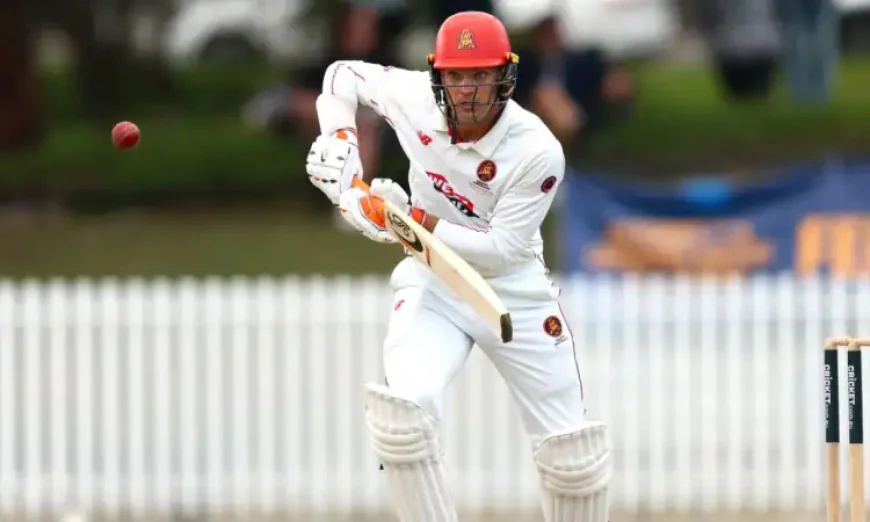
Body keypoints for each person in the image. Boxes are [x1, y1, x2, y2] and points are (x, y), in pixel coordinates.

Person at [304, 11, 611, 522]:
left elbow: (501, 250)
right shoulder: (413, 98)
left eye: (480, 75)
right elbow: (340, 76)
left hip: (514, 290)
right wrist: (341, 144)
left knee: (571, 457)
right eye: (456, 75)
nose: (467, 89)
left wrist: (404, 217)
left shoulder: (536, 150)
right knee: (403, 416)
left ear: (504, 77)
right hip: (433, 279)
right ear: (437, 75)